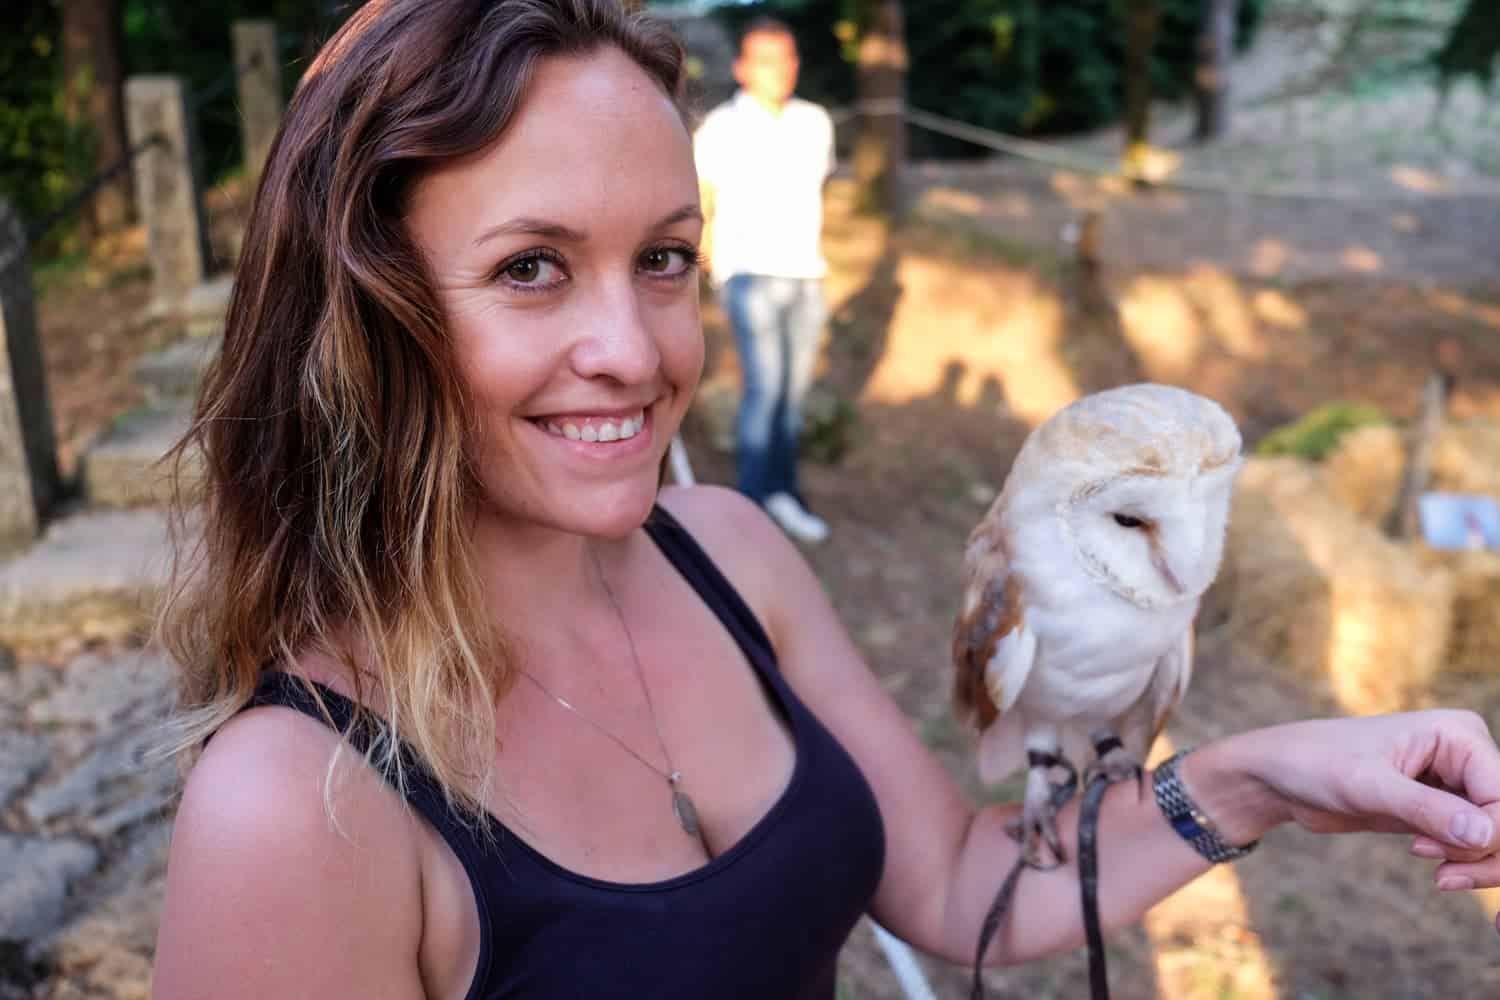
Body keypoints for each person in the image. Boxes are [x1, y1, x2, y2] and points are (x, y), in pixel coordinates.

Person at [150, 2, 1500, 998]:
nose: (639, 348)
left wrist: (1263, 776)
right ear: (369, 316)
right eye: (531, 270)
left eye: (665, 258)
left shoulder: (733, 558)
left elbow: (968, 891)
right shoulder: (296, 806)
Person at [693, 18, 834, 544]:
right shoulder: (721, 129)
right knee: (764, 389)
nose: (782, 70)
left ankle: (783, 491)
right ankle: (749, 510)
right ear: (743, 68)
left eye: (789, 57)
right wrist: (705, 267)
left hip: (806, 275)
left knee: (792, 396)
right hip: (749, 275)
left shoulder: (815, 122)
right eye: (768, 59)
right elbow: (703, 201)